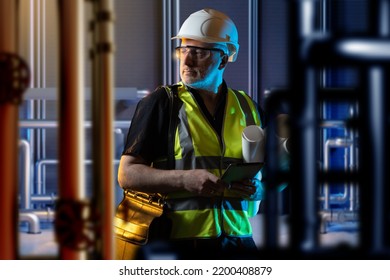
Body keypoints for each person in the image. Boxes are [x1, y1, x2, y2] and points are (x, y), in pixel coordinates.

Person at [117, 8, 266, 259]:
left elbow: (267, 172)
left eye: (199, 52)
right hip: (177, 243)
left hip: (237, 240)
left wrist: (261, 189)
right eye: (183, 50)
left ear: (223, 58)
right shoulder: (162, 103)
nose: (186, 61)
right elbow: (127, 174)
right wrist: (184, 180)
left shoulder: (248, 108)